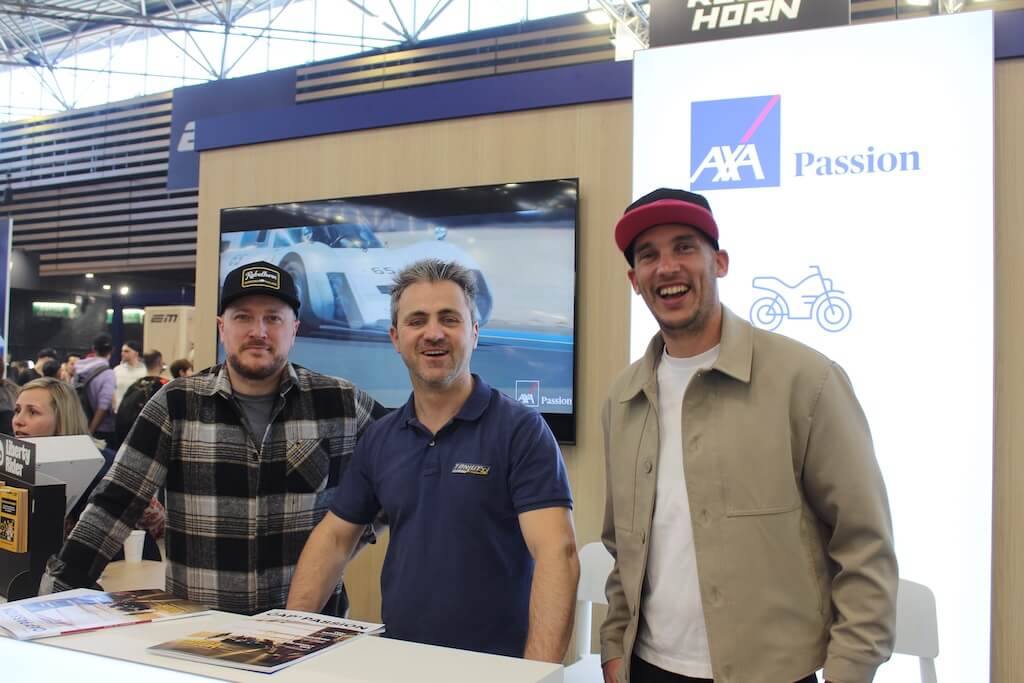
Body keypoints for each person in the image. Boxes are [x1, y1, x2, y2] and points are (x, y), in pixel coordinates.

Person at [599, 189, 898, 683]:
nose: (667, 267)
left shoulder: (807, 380)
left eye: (684, 247)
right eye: (648, 256)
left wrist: (849, 672)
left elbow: (865, 547)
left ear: (719, 262)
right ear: (635, 280)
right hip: (649, 668)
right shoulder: (623, 399)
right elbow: (621, 550)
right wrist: (614, 648)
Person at [41, 261, 385, 616]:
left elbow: (405, 461)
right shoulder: (177, 403)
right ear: (222, 327)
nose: (258, 331)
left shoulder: (340, 402)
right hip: (200, 635)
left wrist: (348, 536)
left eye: (273, 318)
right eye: (243, 317)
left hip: (308, 632)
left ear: (294, 329)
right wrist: (58, 593)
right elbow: (116, 502)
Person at [287, 258, 579, 662]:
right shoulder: (381, 437)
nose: (433, 333)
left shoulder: (520, 430)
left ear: (475, 332)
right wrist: (284, 639)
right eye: (417, 320)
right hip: (403, 663)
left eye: (450, 319)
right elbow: (335, 539)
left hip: (497, 669)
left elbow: (556, 553)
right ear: (395, 336)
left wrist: (536, 675)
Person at [12, 377, 165, 548]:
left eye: (33, 412)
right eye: (17, 410)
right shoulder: (13, 465)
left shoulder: (105, 466)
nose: (18, 420)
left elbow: (158, 523)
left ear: (62, 419)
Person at [114, 349, 167, 449]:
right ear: (160, 363)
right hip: (152, 442)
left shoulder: (134, 386)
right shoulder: (164, 387)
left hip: (129, 440)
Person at [73, 335, 116, 447]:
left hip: (78, 425)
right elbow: (103, 406)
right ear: (112, 350)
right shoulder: (108, 373)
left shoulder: (78, 369)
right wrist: (90, 431)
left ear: (93, 348)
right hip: (101, 430)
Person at [112, 340, 146, 410]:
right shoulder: (117, 370)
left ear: (136, 353)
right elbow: (112, 390)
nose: (122, 353)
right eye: (122, 351)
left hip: (137, 411)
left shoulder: (144, 370)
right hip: (119, 411)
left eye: (126, 351)